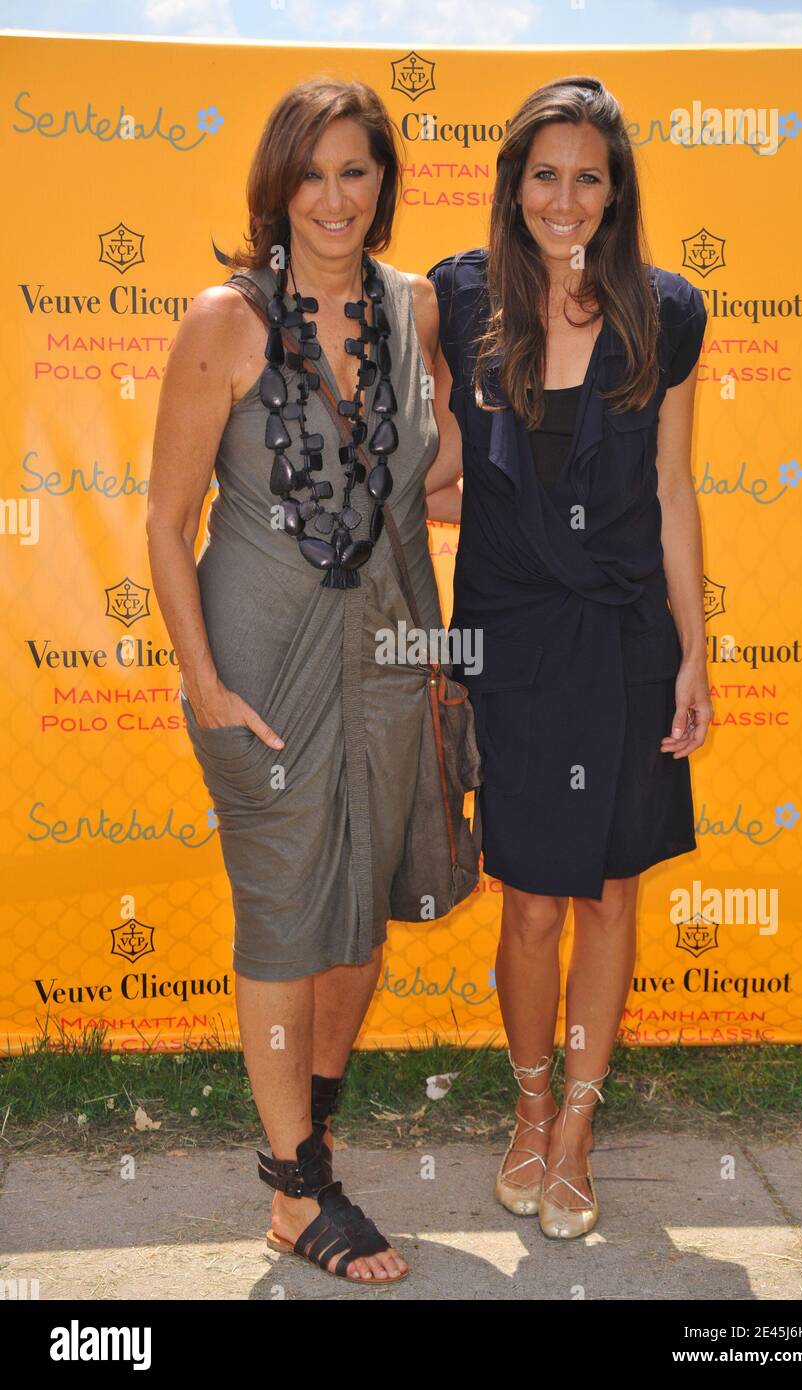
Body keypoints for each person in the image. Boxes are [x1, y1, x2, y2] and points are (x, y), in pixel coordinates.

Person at [147, 77, 452, 1285]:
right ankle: (293, 1191)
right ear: (278, 185)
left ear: (382, 183)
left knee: (357, 918)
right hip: (261, 653)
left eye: (357, 171)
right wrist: (206, 685)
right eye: (313, 172)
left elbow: (428, 482)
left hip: (386, 646)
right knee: (284, 911)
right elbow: (168, 523)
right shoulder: (223, 320)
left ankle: (307, 1127)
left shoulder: (415, 308)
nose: (335, 196)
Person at [425, 75, 712, 1238]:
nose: (563, 196)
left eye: (586, 176)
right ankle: (529, 1110)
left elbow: (672, 490)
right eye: (543, 173)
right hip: (507, 634)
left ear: (614, 189)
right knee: (528, 903)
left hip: (624, 634)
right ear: (513, 184)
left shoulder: (667, 312)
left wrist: (694, 651)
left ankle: (580, 1132)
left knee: (605, 894)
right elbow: (438, 465)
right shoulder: (456, 299)